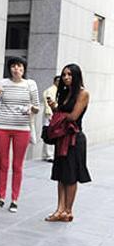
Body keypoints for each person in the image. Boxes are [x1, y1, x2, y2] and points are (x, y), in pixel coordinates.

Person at [0, 56, 40, 212]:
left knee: (17, 165)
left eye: (19, 66)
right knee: (3, 164)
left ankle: (15, 200)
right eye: (13, 66)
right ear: (9, 68)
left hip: (22, 129)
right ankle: (1, 197)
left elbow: (37, 108)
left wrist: (30, 108)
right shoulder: (2, 84)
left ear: (23, 69)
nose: (16, 69)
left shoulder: (30, 85)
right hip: (2, 127)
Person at [45, 64, 90, 222]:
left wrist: (59, 113)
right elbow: (64, 114)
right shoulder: (64, 92)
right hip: (62, 137)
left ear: (76, 76)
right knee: (60, 174)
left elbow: (73, 116)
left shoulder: (83, 93)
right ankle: (59, 209)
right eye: (64, 75)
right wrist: (55, 108)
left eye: (70, 74)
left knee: (71, 176)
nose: (66, 77)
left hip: (74, 139)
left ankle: (68, 211)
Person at [42, 75, 60, 162]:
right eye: (58, 81)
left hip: (54, 114)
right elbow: (48, 102)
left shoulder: (58, 90)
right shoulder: (51, 90)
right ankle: (49, 155)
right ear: (54, 81)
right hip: (50, 114)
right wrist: (49, 113)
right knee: (49, 133)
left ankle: (48, 154)